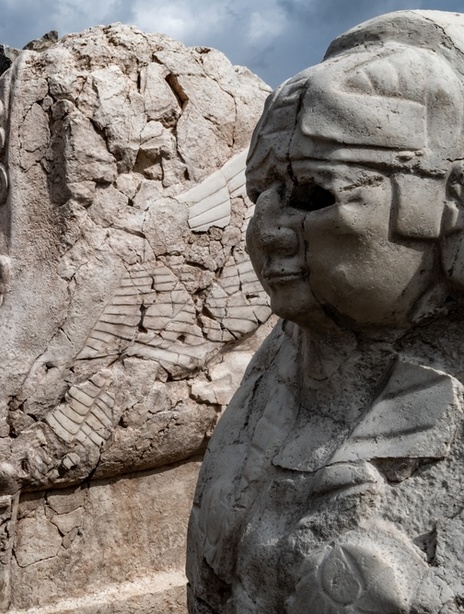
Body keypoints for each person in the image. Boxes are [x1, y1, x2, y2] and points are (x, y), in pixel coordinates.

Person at [187, 10, 464, 613]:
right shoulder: (275, 384)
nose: (270, 233)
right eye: (262, 198)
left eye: (315, 193)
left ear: (448, 203)